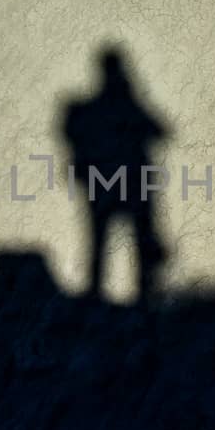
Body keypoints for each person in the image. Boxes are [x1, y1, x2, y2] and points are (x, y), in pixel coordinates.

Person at [61, 47, 170, 300]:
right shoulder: (100, 109)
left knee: (119, 244)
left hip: (121, 186)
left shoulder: (113, 107)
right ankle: (127, 299)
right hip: (114, 186)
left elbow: (160, 131)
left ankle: (136, 298)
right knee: (104, 244)